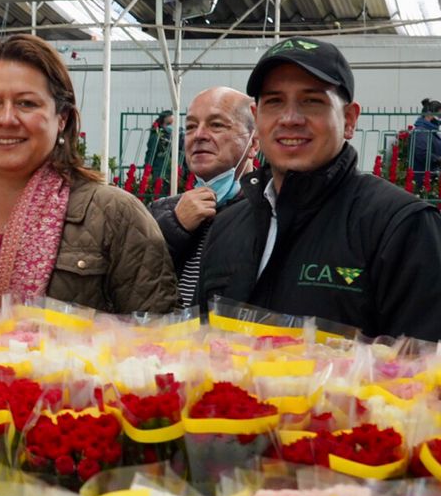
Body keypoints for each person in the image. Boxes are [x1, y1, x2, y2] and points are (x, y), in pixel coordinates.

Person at [198, 38, 441, 341]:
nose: (290, 119)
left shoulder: (402, 227)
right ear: (256, 118)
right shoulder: (226, 227)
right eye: (274, 102)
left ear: (349, 120)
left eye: (311, 101)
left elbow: (425, 362)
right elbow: (200, 348)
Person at [0, 34, 175, 314]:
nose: (7, 119)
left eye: (26, 103)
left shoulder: (115, 216)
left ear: (62, 118)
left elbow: (159, 333)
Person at [147, 88, 257, 309]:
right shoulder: (160, 212)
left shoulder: (267, 214)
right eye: (190, 127)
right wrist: (174, 227)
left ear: (253, 144)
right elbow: (133, 288)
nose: (199, 135)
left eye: (216, 125)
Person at [143, 110, 175, 187]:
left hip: (172, 171)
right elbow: (151, 154)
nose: (171, 126)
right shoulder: (157, 135)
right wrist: (148, 172)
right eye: (169, 124)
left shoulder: (175, 134)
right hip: (160, 171)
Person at [410, 98, 441, 174]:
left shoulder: (431, 131)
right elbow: (423, 154)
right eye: (439, 116)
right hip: (424, 176)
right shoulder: (421, 132)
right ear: (429, 114)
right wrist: (438, 159)